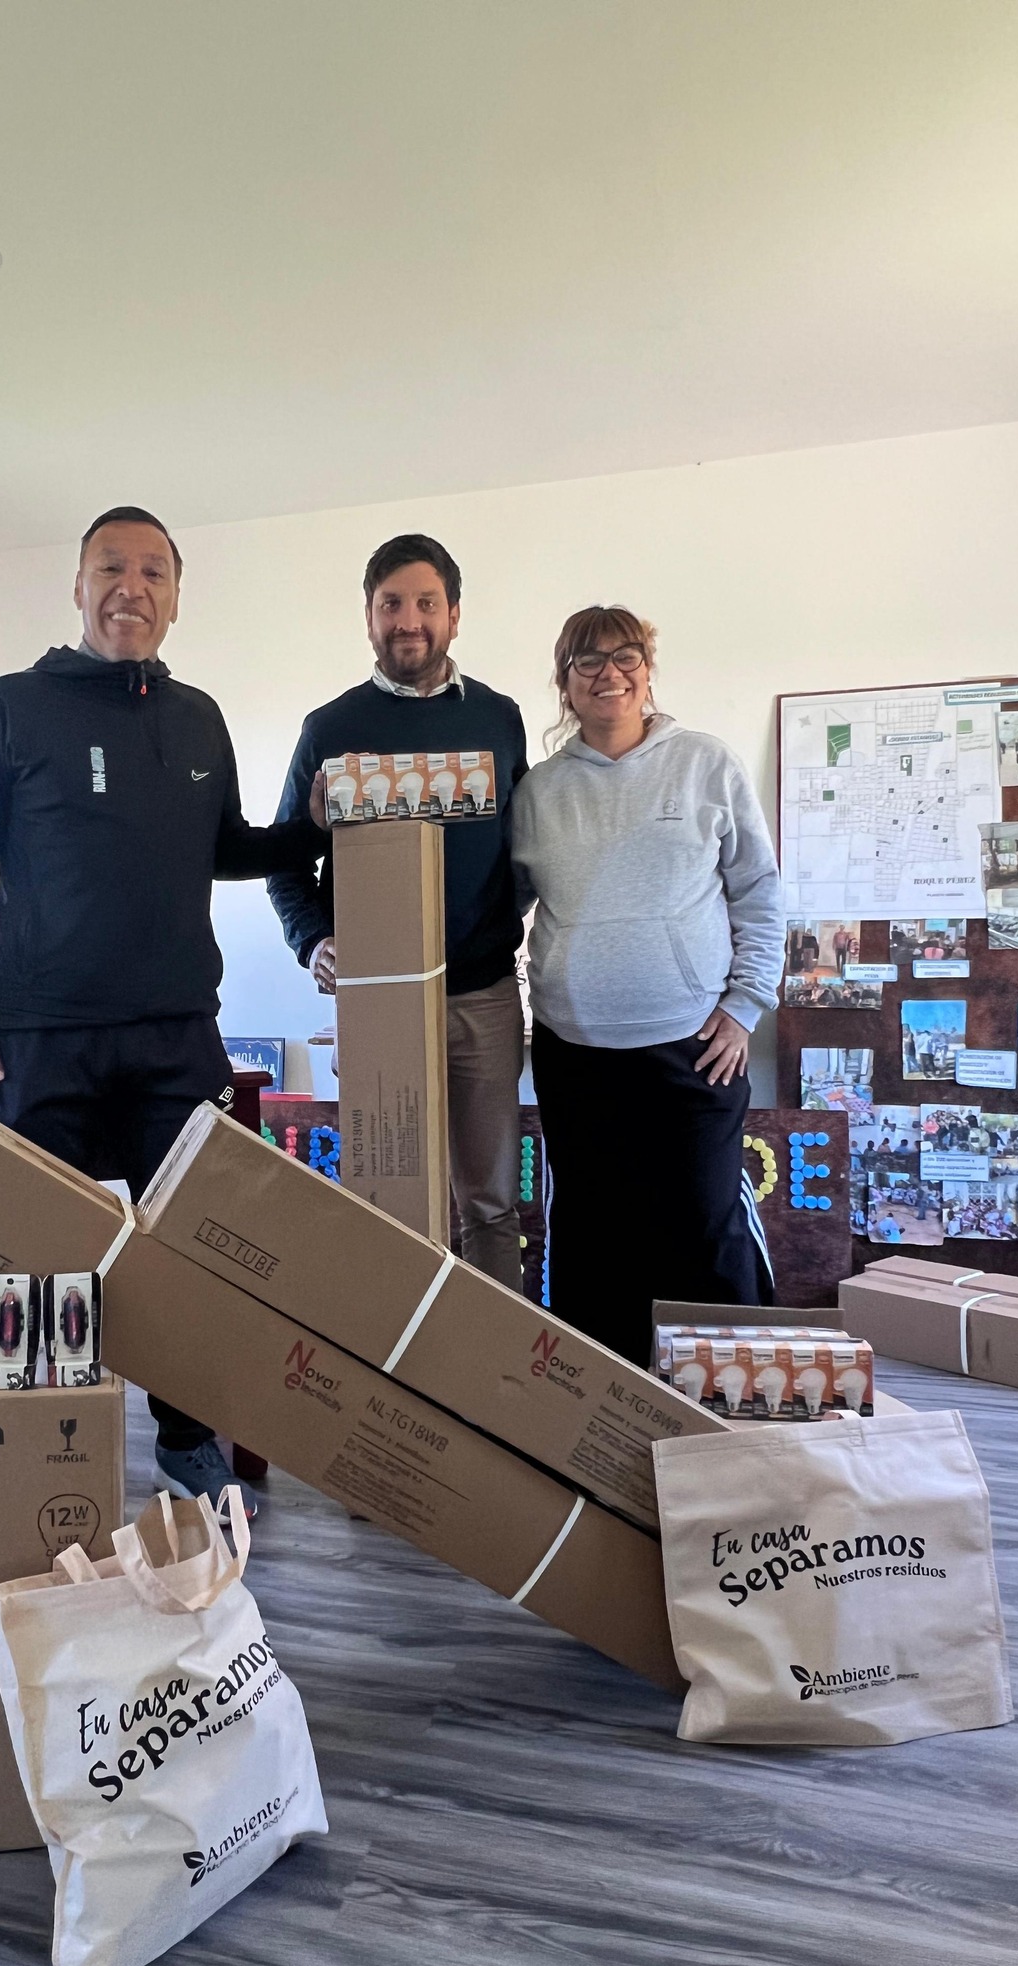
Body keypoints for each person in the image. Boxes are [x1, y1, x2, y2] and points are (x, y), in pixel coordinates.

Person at [0, 505, 327, 1510]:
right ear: (77, 586)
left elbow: (222, 845)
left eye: (154, 572)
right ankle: (41, 1450)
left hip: (175, 1032)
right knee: (36, 1259)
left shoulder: (197, 717)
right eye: (111, 567)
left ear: (177, 597)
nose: (131, 588)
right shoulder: (10, 707)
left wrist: (309, 832)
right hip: (41, 1036)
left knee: (189, 1250)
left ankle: (187, 1442)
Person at [510, 604, 786, 1366]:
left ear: (648, 667)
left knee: (706, 1229)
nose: (609, 673)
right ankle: (608, 1407)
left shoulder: (706, 765)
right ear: (566, 683)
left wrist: (745, 1005)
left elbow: (759, 892)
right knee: (594, 1240)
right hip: (574, 1055)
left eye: (624, 655)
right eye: (588, 661)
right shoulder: (538, 794)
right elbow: (500, 910)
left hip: (693, 1051)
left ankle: (732, 1405)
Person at [268, 534, 530, 1291]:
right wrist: (313, 940)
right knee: (390, 1206)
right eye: (391, 605)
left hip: (483, 997)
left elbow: (526, 847)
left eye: (425, 603)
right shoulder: (329, 728)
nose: (408, 621)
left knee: (490, 1206)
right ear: (369, 616)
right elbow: (287, 858)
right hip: (379, 1003)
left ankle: (491, 1356)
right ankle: (401, 1351)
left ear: (454, 614)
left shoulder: (499, 719)